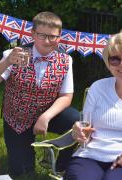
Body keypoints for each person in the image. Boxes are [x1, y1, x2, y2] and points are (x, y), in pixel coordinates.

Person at [0, 11, 79, 176]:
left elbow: (66, 96)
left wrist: (45, 117)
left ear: (59, 36)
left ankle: (60, 164)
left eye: (52, 36)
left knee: (79, 122)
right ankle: (26, 155)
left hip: (48, 113)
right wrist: (7, 62)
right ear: (33, 34)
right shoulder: (14, 55)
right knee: (22, 172)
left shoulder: (65, 60)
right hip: (17, 118)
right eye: (42, 35)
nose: (47, 41)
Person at [65, 32, 122, 180]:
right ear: (108, 62)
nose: (121, 64)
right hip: (91, 154)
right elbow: (86, 127)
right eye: (115, 59)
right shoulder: (98, 87)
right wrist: (78, 132)